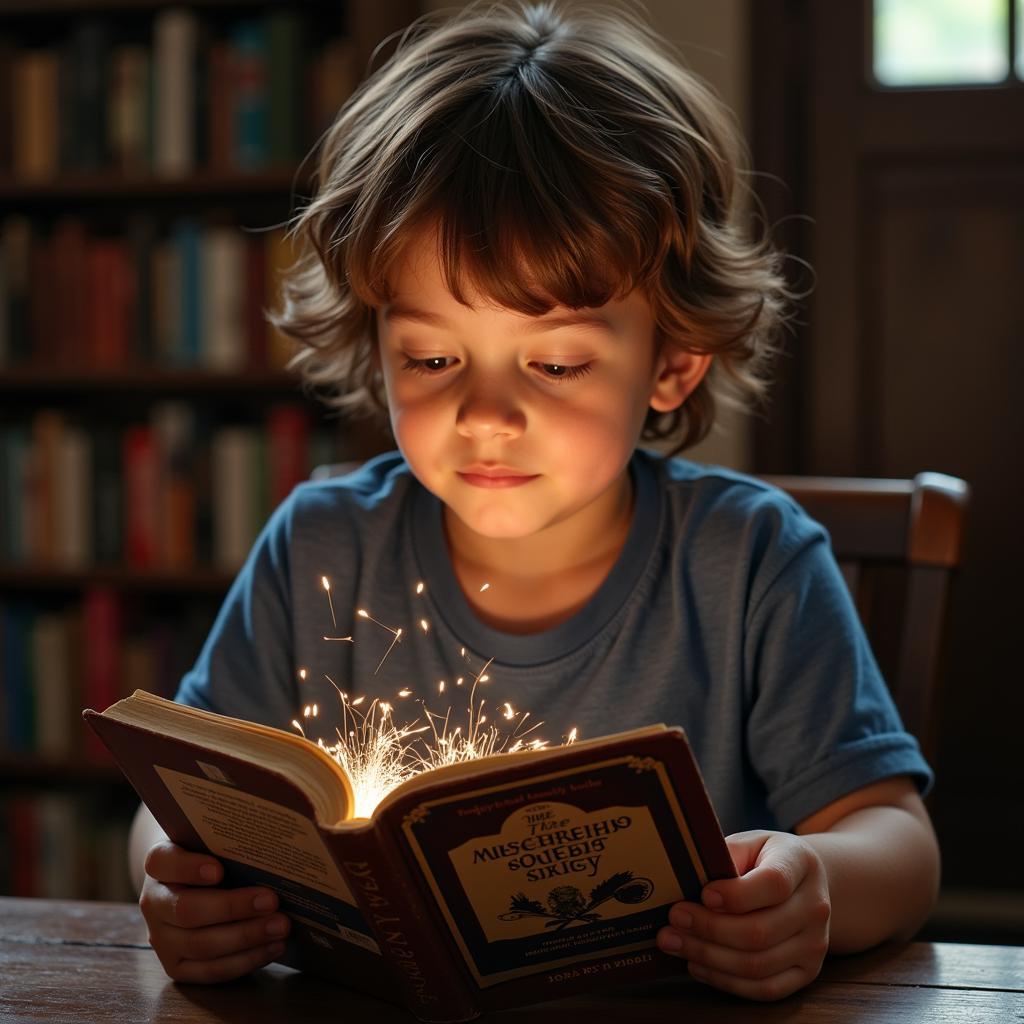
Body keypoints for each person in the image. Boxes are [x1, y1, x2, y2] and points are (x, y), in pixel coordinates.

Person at [129, 0, 940, 1002]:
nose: (485, 414)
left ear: (673, 362)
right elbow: (179, 805)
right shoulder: (321, 544)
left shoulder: (750, 561)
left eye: (553, 362)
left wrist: (814, 888)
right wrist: (173, 888)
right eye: (430, 356)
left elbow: (898, 843)